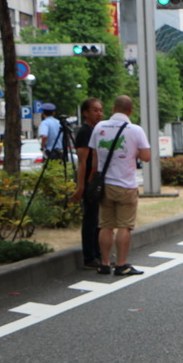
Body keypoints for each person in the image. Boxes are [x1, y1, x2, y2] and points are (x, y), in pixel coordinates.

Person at [89, 95, 150, 276]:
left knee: (105, 225)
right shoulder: (135, 130)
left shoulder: (99, 127)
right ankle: (121, 264)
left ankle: (104, 263)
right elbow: (146, 157)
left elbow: (94, 156)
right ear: (130, 111)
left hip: (104, 185)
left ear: (114, 108)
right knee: (124, 226)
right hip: (126, 184)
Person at [71, 97, 104, 270]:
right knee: (90, 220)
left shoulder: (97, 130)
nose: (99, 113)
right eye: (95, 110)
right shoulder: (85, 132)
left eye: (100, 110)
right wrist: (81, 186)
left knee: (98, 220)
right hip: (89, 182)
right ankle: (90, 257)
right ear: (85, 113)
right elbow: (82, 162)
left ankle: (98, 254)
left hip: (97, 179)